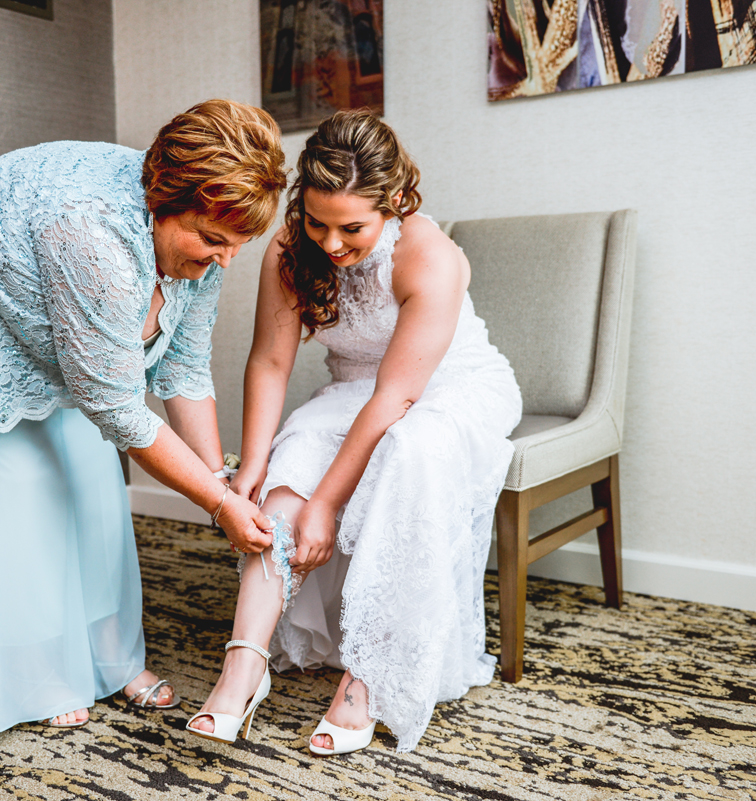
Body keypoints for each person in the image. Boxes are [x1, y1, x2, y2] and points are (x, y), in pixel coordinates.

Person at [0, 99, 286, 733]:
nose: (225, 258)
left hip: (31, 279)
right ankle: (25, 671)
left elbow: (182, 368)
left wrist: (217, 474)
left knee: (86, 465)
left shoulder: (210, 239)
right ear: (163, 201)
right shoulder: (88, 230)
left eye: (236, 245)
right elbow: (118, 408)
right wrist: (217, 504)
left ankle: (107, 656)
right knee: (16, 479)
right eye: (213, 241)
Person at [186, 109, 522, 754]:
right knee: (292, 461)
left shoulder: (431, 257)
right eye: (317, 222)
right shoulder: (289, 248)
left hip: (450, 388)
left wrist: (329, 504)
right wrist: (252, 466)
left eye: (352, 228)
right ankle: (243, 667)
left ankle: (367, 677)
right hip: (352, 389)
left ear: (394, 202)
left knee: (411, 451)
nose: (331, 244)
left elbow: (398, 395)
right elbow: (271, 360)